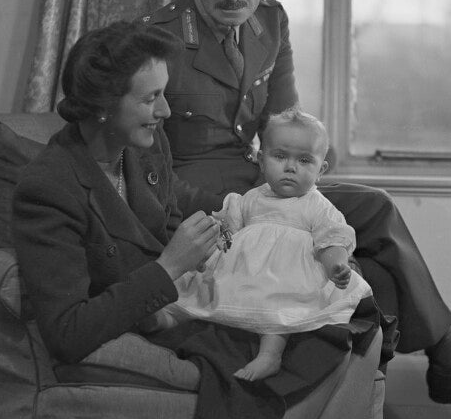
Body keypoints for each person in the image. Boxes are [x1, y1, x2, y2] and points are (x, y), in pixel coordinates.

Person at [139, 0, 451, 414]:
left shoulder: (269, 21)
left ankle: (395, 399)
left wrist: (309, 168)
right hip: (210, 205)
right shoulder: (155, 39)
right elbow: (148, 171)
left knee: (376, 260)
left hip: (271, 180)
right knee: (375, 218)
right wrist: (252, 208)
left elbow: (284, 122)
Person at [12, 20, 384, 419]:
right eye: (151, 99)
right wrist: (169, 269)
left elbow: (168, 226)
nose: (165, 112)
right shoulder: (50, 186)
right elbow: (66, 329)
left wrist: (252, 255)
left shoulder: (145, 148)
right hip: (152, 315)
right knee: (335, 334)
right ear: (104, 105)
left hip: (193, 294)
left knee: (360, 317)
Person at [156, 107, 375, 381]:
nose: (291, 167)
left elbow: (331, 239)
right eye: (280, 157)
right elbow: (227, 231)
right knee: (202, 287)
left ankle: (270, 354)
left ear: (321, 170)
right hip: (244, 271)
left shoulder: (317, 206)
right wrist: (210, 250)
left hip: (288, 278)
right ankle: (170, 317)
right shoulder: (249, 199)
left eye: (304, 160)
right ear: (261, 160)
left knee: (278, 305)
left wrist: (336, 267)